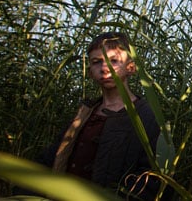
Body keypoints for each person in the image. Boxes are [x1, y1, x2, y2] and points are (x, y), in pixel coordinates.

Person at [17, 32, 162, 200]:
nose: (104, 67)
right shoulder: (85, 113)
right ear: (90, 71)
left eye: (113, 60)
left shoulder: (145, 116)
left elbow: (152, 178)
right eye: (96, 62)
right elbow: (52, 159)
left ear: (131, 67)